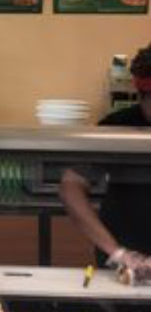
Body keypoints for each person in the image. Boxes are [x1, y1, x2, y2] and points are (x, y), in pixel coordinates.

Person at [60, 43, 151, 273]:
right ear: (141, 94)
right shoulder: (117, 127)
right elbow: (71, 186)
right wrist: (117, 252)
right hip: (127, 260)